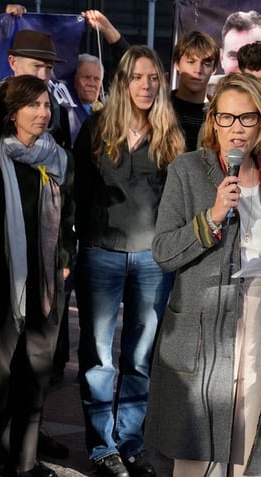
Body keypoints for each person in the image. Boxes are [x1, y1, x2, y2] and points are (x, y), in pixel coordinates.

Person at [145, 72, 261, 477]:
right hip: (203, 326)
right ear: (212, 120)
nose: (236, 129)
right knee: (199, 444)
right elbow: (164, 252)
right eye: (226, 118)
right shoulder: (187, 171)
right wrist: (213, 216)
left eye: (247, 118)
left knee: (250, 433)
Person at [73, 45, 184, 477]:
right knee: (99, 357)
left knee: (140, 358)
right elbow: (76, 191)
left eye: (153, 77)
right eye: (138, 77)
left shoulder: (170, 135)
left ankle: (130, 443)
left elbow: (176, 204)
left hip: (153, 261)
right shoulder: (97, 127)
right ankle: (102, 447)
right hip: (100, 255)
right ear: (123, 82)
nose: (146, 85)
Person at [0, 74, 74, 477]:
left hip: (46, 281)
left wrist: (65, 259)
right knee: (2, 375)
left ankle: (25, 461)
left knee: (37, 373)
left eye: (46, 105)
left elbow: (69, 216)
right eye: (32, 105)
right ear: (11, 111)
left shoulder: (58, 158)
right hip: (4, 282)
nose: (42, 113)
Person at [0, 29, 71, 149]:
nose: (43, 76)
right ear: (13, 62)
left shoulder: (59, 116)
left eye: (49, 68)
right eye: (37, 66)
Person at [171, 30, 219, 151]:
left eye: (206, 64)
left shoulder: (220, 113)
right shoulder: (160, 107)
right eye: (191, 62)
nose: (198, 70)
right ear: (177, 64)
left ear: (214, 69)